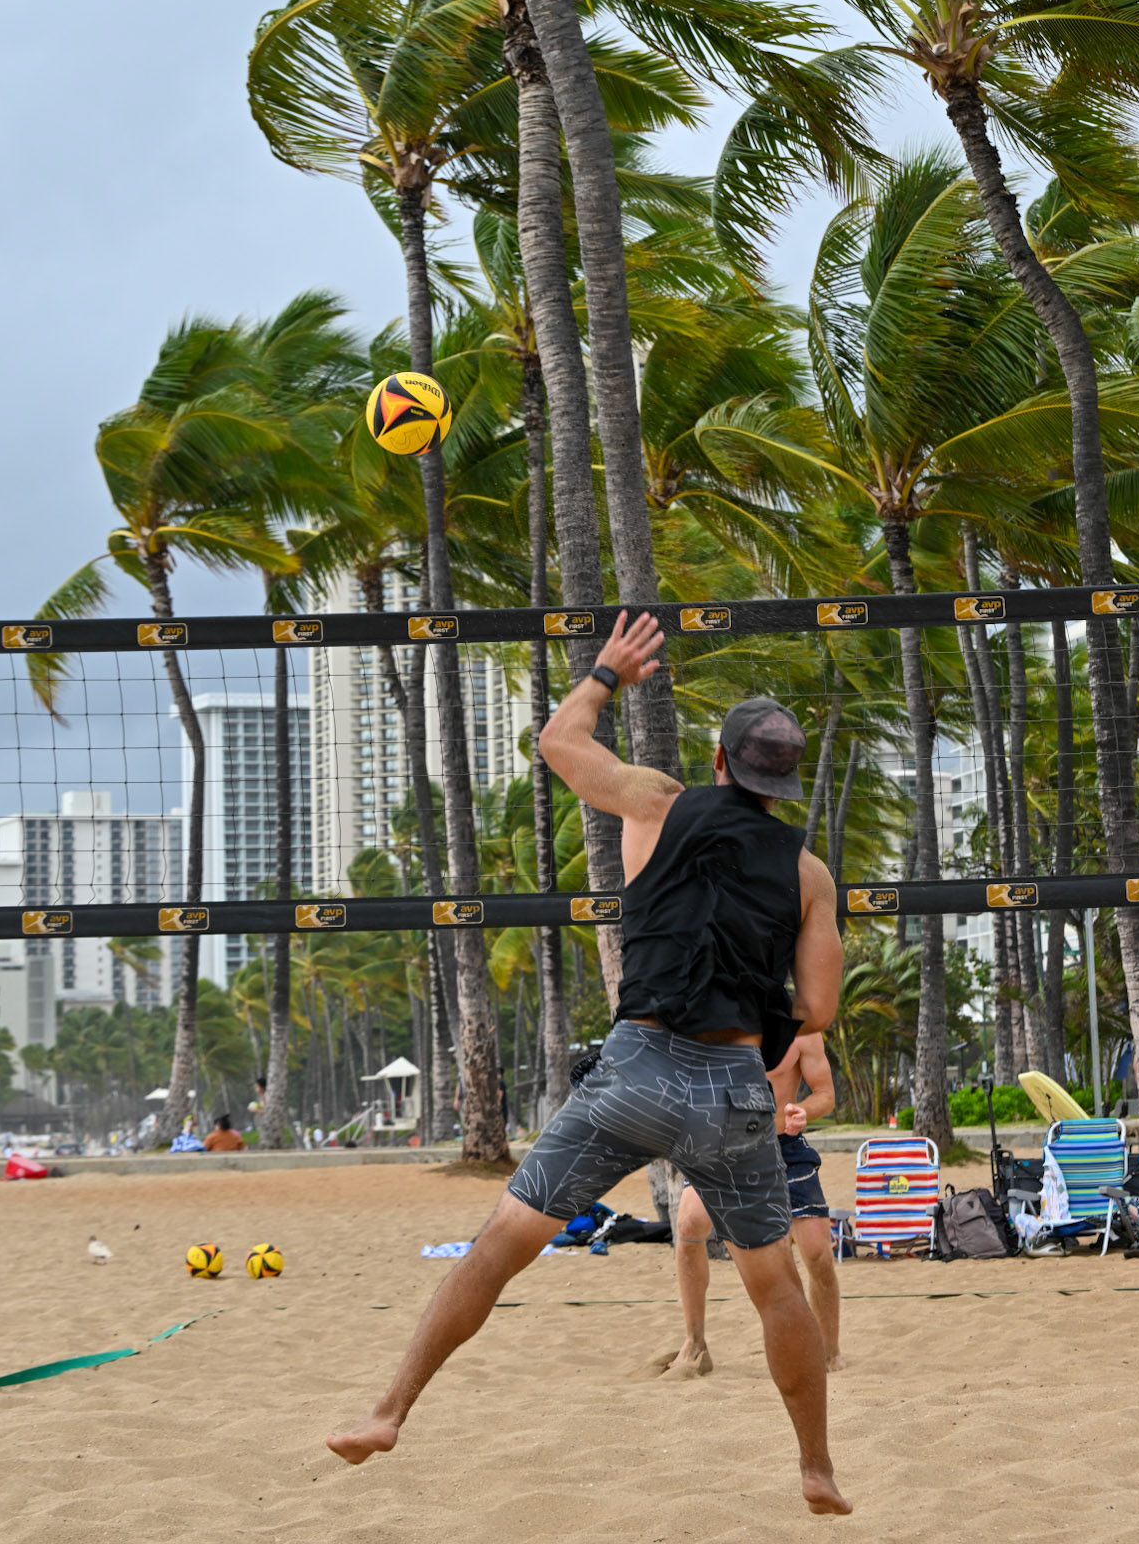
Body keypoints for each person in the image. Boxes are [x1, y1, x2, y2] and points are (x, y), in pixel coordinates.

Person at [328, 611, 850, 1517]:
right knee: (771, 1285)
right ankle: (816, 1469)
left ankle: (386, 1412)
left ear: (720, 763)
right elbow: (819, 1009)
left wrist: (607, 672)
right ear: (783, 780)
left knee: (498, 1247)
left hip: (636, 1067)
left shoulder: (655, 800)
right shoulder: (806, 874)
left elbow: (557, 742)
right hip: (730, 1087)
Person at [653, 1030, 844, 1380]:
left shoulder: (801, 1029)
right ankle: (695, 1344)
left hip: (782, 1144)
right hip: (722, 1144)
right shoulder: (715, 1019)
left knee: (818, 1252)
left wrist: (803, 1110)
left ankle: (829, 1351)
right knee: (688, 1224)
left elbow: (826, 1094)